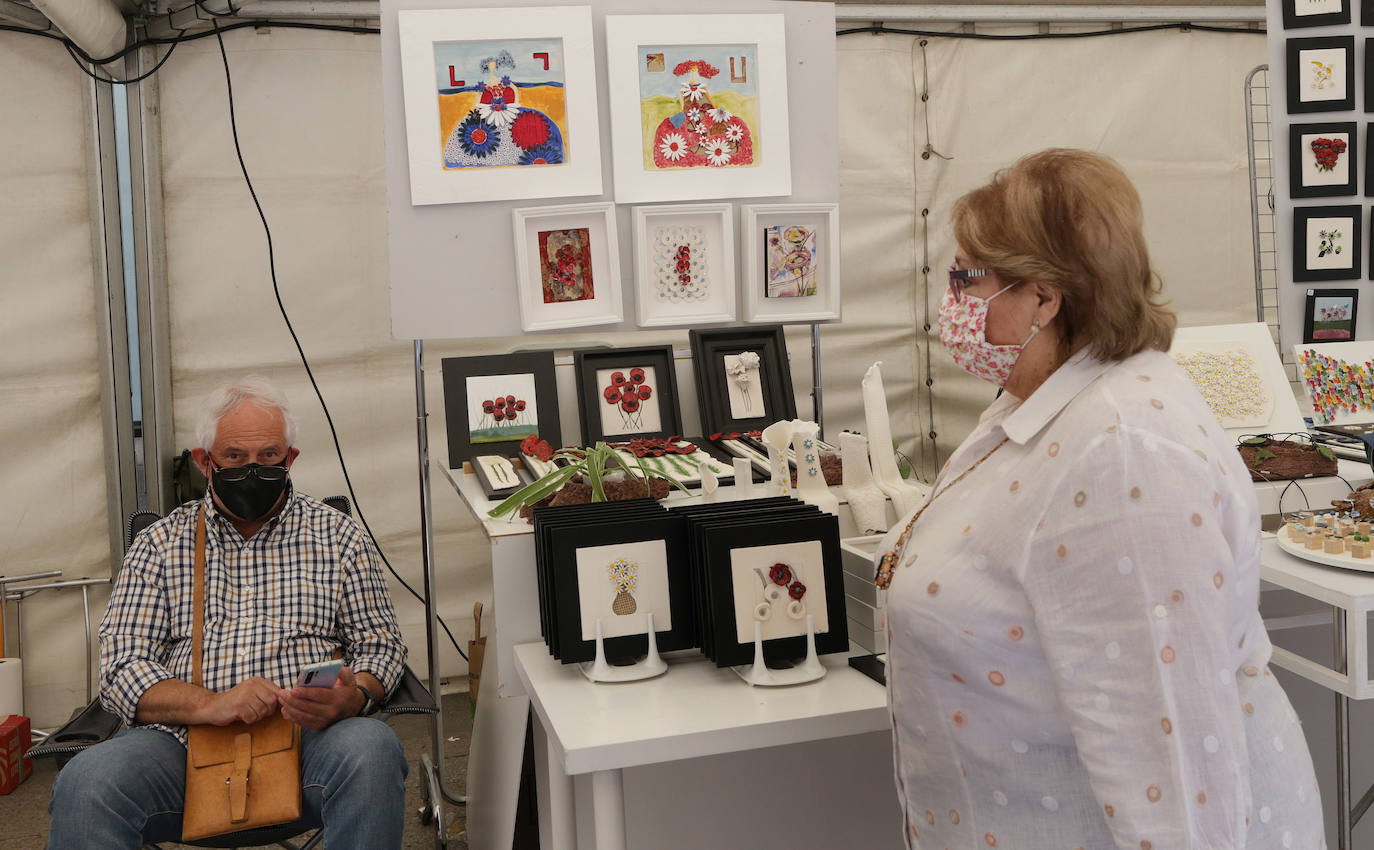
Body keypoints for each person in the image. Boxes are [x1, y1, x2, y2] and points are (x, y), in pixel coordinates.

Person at [876, 149, 1324, 849]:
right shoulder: (1047, 405)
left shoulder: (1122, 453)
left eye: (968, 278)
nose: (951, 302)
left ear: (1046, 298)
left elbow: (1169, 759)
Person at [47, 376, 409, 849]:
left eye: (269, 457)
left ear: (291, 458)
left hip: (310, 741)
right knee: (87, 782)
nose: (253, 470)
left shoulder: (338, 536)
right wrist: (211, 705)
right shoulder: (160, 544)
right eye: (235, 458)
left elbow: (381, 644)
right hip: (182, 743)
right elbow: (120, 670)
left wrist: (355, 695)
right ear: (205, 461)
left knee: (372, 750)